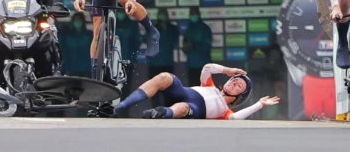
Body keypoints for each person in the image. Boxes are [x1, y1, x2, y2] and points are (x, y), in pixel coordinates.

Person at [113, 63, 279, 119]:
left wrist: (259, 104)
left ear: (238, 97)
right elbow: (207, 68)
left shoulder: (225, 112)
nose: (235, 82)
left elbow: (236, 118)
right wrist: (227, 70)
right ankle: (121, 106)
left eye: (239, 86)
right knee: (164, 76)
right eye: (234, 79)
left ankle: (160, 113)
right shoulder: (210, 85)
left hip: (189, 108)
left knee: (183, 107)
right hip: (181, 92)